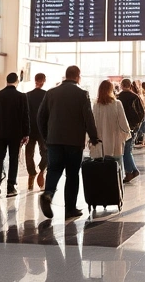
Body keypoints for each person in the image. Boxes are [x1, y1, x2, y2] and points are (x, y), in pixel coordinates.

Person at [37, 65, 100, 220]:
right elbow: (88, 118)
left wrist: (46, 137)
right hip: (73, 142)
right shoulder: (82, 94)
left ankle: (48, 194)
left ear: (66, 76)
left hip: (54, 141)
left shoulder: (51, 92)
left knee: (54, 169)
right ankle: (70, 209)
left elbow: (40, 116)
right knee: (72, 175)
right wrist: (93, 137)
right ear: (78, 76)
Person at [0, 72, 30, 198]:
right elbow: (25, 117)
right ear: (17, 81)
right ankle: (11, 187)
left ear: (7, 81)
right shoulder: (22, 97)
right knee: (13, 159)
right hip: (15, 134)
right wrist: (26, 133)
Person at [90, 81, 130, 163]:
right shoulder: (117, 104)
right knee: (115, 166)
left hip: (100, 141)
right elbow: (123, 122)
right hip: (115, 139)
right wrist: (127, 133)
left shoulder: (96, 105)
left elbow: (93, 122)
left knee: (101, 165)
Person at [116, 78, 145, 183]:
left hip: (121, 127)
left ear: (122, 85)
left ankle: (130, 171)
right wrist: (137, 125)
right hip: (133, 127)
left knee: (125, 150)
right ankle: (133, 170)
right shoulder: (135, 97)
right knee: (127, 149)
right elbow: (142, 113)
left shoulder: (118, 97)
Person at [26, 72, 48, 190]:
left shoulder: (27, 95)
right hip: (42, 129)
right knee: (45, 152)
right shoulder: (47, 95)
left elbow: (24, 114)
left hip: (29, 129)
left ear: (35, 80)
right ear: (43, 80)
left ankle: (31, 173)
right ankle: (41, 172)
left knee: (29, 153)